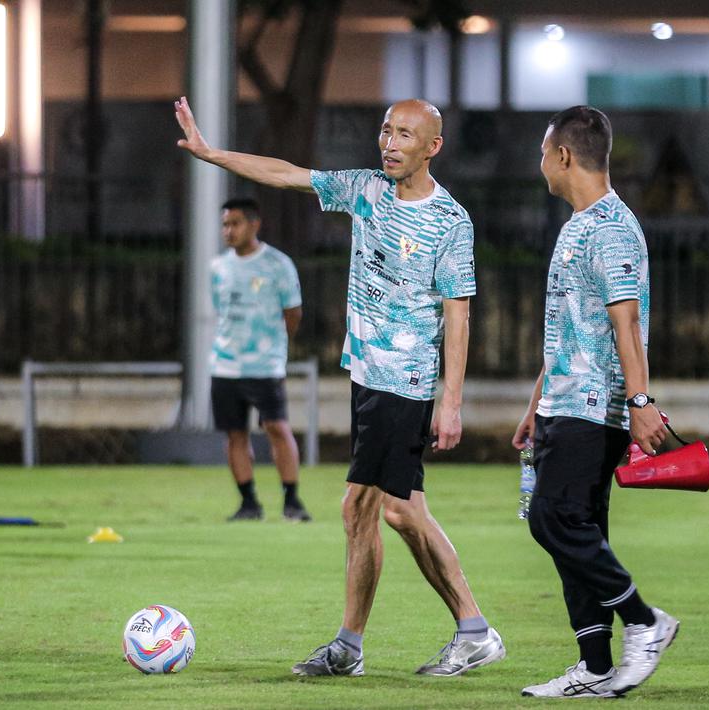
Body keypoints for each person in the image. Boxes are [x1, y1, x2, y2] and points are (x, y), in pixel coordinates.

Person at [175, 97, 504, 677]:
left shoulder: (450, 220)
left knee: (387, 510)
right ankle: (374, 643)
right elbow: (286, 173)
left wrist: (450, 401)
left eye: (405, 134)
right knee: (371, 510)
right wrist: (211, 154)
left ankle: (456, 632)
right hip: (368, 378)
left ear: (433, 147)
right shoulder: (365, 190)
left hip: (406, 381)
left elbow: (459, 314)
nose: (390, 142)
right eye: (385, 130)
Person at [512, 106, 678, 698]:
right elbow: (569, 327)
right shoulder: (579, 223)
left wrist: (640, 401)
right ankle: (596, 666)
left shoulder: (608, 226)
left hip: (594, 407)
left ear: (562, 155)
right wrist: (536, 404)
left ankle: (644, 621)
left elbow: (625, 323)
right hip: (563, 402)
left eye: (541, 151)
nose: (540, 163)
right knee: (575, 528)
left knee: (552, 519)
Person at [210, 198, 310, 522]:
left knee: (277, 428)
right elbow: (220, 312)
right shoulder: (219, 268)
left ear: (254, 224)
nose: (229, 231)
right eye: (225, 224)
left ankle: (292, 501)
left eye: (235, 223)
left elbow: (293, 313)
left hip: (264, 365)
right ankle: (248, 503)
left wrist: (277, 347)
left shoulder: (278, 264)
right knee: (235, 434)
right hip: (225, 365)